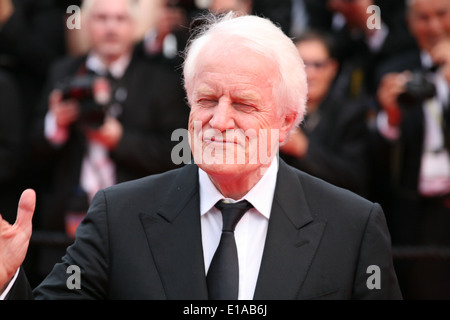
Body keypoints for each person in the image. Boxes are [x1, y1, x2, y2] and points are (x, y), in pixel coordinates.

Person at [0, 12, 401, 300]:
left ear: (286, 121)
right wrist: (6, 282)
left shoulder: (353, 226)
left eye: (243, 104)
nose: (219, 121)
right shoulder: (118, 215)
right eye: (207, 100)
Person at [27, 0, 189, 286]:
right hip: (64, 230)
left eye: (120, 19)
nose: (111, 27)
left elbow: (179, 155)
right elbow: (30, 151)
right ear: (86, 24)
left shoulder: (161, 79)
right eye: (101, 18)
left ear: (135, 26)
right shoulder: (63, 72)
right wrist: (56, 125)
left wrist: (119, 139)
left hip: (138, 226)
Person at [372, 0, 450, 299]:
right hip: (412, 210)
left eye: (442, 15)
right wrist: (389, 117)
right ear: (409, 23)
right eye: (423, 18)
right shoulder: (392, 70)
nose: (434, 26)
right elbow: (374, 162)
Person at [280, 31, 370, 197]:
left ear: (332, 68)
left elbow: (354, 178)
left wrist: (303, 149)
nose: (310, 73)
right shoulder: (276, 110)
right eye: (302, 64)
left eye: (318, 65)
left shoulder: (351, 114)